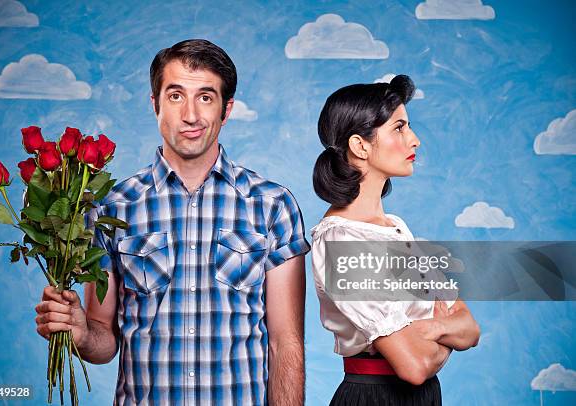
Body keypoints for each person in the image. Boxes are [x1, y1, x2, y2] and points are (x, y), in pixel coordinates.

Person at [34, 39, 310, 405]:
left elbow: (285, 343)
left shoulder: (273, 206)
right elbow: (103, 340)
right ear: (155, 104)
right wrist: (80, 333)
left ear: (226, 110)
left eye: (206, 98)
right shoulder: (110, 209)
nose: (191, 115)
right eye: (176, 96)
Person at [310, 75, 480, 405]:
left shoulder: (396, 228)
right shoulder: (340, 240)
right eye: (399, 128)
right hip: (375, 397)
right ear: (360, 145)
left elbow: (470, 328)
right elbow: (414, 367)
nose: (414, 140)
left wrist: (429, 331)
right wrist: (443, 329)